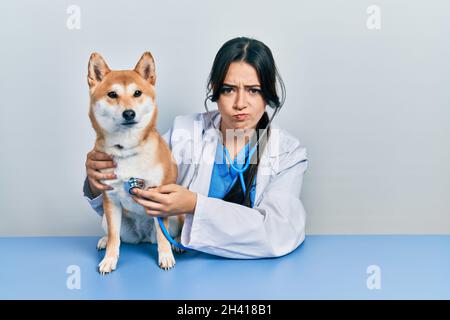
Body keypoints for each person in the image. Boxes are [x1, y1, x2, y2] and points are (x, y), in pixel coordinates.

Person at [83, 37, 308, 259]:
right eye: (229, 89)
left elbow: (278, 234)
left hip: (260, 274)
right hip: (189, 267)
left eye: (254, 90)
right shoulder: (184, 132)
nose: (240, 103)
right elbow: (132, 203)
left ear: (268, 93)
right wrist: (96, 182)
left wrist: (194, 205)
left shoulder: (287, 153)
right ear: (215, 89)